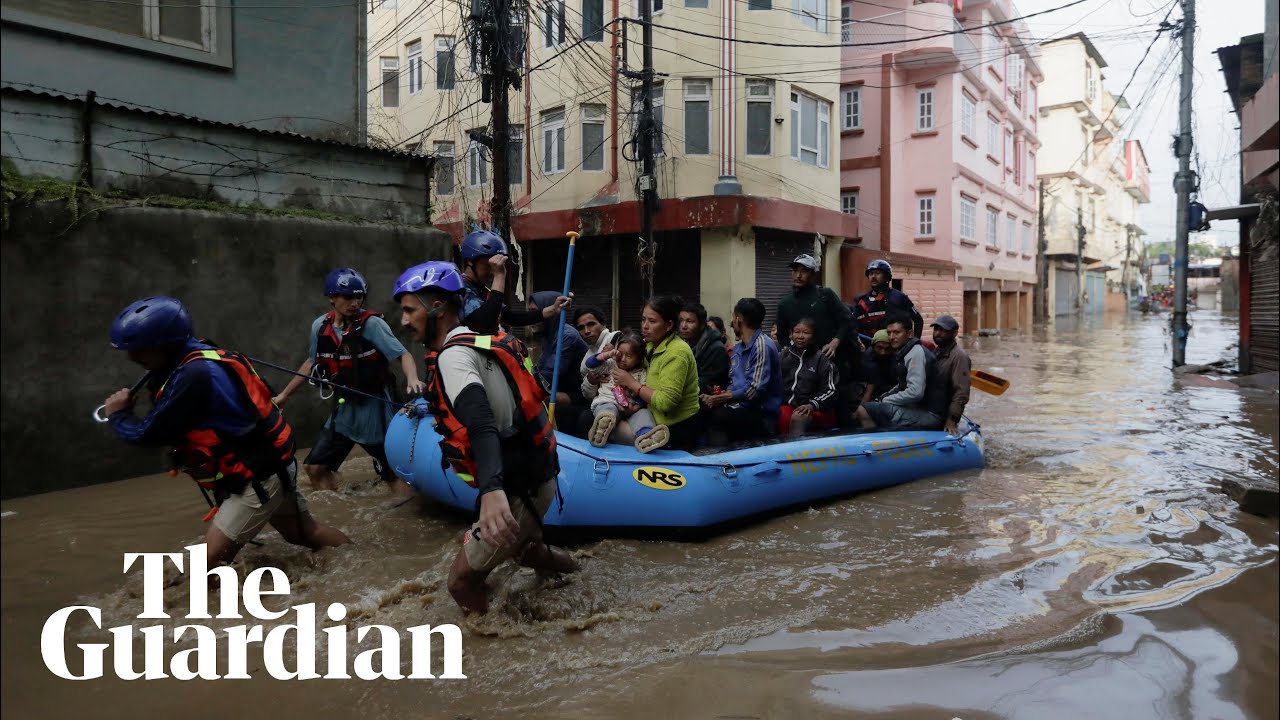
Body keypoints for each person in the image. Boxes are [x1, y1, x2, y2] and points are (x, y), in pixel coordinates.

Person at [103, 297, 350, 570]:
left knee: (204, 566)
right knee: (304, 533)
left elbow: (147, 434)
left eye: (139, 349)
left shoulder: (192, 376)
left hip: (258, 478)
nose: (132, 357)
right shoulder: (201, 356)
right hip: (272, 466)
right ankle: (362, 560)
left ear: (165, 343)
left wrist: (118, 415)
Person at [393, 261, 578, 615]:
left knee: (460, 583)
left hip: (516, 484)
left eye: (408, 310)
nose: (403, 320)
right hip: (536, 471)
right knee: (529, 551)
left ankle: (494, 651)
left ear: (437, 307)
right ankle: (576, 572)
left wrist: (492, 491)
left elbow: (480, 422)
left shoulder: (453, 357)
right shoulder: (473, 335)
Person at [272, 268, 423, 492]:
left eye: (359, 296)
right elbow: (311, 362)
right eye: (348, 297)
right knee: (315, 468)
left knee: (393, 476)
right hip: (343, 412)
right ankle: (342, 508)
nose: (354, 302)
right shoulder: (320, 327)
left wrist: (413, 378)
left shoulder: (372, 325)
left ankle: (399, 515)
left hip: (375, 411)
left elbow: (403, 355)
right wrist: (285, 395)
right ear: (331, 297)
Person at [610, 295, 704, 451]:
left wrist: (631, 383)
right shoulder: (650, 346)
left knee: (610, 428)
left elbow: (666, 402)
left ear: (668, 325)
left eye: (652, 321)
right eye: (643, 320)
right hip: (650, 416)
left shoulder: (677, 352)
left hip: (674, 429)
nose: (645, 326)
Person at [457, 229, 571, 335]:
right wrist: (499, 276)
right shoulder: (460, 289)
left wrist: (552, 309)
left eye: (497, 266)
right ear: (470, 261)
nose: (493, 271)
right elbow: (485, 322)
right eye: (490, 265)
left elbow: (511, 318)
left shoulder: (482, 290)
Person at [701, 298, 782, 443]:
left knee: (716, 417)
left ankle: (722, 461)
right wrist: (718, 393)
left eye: (733, 317)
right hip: (738, 408)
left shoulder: (762, 345)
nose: (732, 323)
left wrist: (720, 399)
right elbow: (734, 383)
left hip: (760, 414)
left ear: (739, 320)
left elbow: (754, 390)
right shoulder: (738, 348)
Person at [854, 314, 948, 431]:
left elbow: (915, 392)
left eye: (897, 332)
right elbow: (902, 384)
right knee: (876, 405)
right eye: (889, 333)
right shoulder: (905, 352)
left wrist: (886, 400)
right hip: (920, 408)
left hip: (930, 415)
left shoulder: (915, 353)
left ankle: (874, 444)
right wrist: (883, 398)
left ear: (909, 334)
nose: (892, 337)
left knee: (863, 409)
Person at [584, 333, 667, 451]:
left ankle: (647, 436)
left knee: (644, 414)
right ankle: (601, 428)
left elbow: (642, 395)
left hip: (630, 407)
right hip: (608, 402)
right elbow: (590, 364)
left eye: (628, 356)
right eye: (620, 353)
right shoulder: (611, 364)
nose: (622, 359)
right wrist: (608, 354)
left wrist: (635, 408)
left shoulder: (641, 372)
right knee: (608, 411)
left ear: (639, 358)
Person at [776, 254, 854, 360]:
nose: (798, 275)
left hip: (829, 357)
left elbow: (845, 321)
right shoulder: (785, 303)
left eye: (804, 271)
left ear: (813, 274)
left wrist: (835, 342)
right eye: (795, 270)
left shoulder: (826, 295)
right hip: (801, 362)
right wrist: (793, 352)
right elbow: (781, 335)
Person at [778, 318, 839, 435]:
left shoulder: (822, 359)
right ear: (791, 335)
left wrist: (812, 405)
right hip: (788, 405)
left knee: (798, 417)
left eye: (806, 333)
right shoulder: (784, 356)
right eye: (796, 332)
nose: (800, 336)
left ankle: (795, 451)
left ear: (814, 337)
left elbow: (831, 390)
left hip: (816, 409)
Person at [528, 291, 588, 407]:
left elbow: (549, 374)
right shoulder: (549, 334)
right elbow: (539, 368)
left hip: (578, 395)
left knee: (533, 398)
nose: (531, 318)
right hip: (559, 388)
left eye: (535, 312)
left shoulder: (566, 336)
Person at [852, 260, 924, 340]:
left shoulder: (899, 297)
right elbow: (853, 325)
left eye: (877, 273)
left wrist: (914, 342)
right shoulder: (862, 301)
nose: (873, 276)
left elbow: (918, 320)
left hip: (895, 346)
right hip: (870, 346)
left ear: (886, 276)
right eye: (871, 274)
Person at [929, 315, 972, 435]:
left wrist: (951, 419)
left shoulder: (959, 357)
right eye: (936, 329)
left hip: (941, 413)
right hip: (932, 407)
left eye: (943, 330)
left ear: (954, 333)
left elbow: (961, 392)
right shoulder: (936, 352)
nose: (938, 333)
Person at [678, 302, 730, 394]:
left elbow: (707, 384)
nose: (683, 326)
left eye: (689, 321)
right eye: (681, 320)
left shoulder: (717, 349)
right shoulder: (682, 343)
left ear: (702, 324)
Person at [859, 329, 898, 407]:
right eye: (879, 347)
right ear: (873, 346)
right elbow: (869, 390)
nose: (883, 352)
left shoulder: (896, 356)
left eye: (887, 349)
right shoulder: (869, 360)